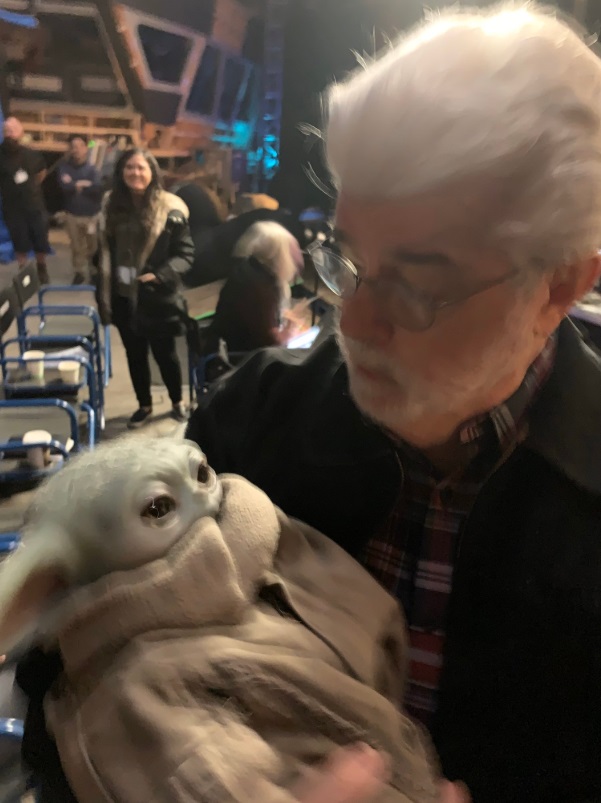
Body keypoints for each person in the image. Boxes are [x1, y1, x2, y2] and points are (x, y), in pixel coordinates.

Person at [184, 5, 601, 801]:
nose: (355, 319)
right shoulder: (244, 426)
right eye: (348, 258)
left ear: (558, 286)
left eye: (418, 282)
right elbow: (92, 687)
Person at [96, 147, 194, 428]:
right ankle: (145, 406)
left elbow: (185, 255)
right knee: (134, 354)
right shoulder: (110, 205)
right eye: (129, 168)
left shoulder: (168, 208)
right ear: (121, 172)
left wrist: (161, 275)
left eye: (141, 168)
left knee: (166, 354)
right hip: (122, 296)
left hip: (155, 297)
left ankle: (177, 402)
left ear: (152, 172)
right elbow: (103, 250)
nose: (135, 173)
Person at [202, 220, 304, 355]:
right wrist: (290, 330)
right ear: (280, 254)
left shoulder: (249, 268)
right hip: (240, 360)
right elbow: (271, 344)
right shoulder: (260, 289)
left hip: (225, 346)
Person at [0, 116, 50, 284]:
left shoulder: (31, 154)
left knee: (40, 238)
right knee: (19, 240)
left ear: (20, 132)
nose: (9, 134)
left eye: (12, 130)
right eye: (6, 130)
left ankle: (41, 268)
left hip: (34, 205)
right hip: (12, 208)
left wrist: (30, 188)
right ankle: (25, 273)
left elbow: (41, 172)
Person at [57, 134, 102, 285]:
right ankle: (79, 272)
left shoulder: (93, 169)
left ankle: (94, 272)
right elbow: (64, 187)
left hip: (92, 216)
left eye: (79, 146)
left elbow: (97, 188)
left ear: (85, 148)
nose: (76, 149)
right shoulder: (64, 168)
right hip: (72, 215)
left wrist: (76, 184)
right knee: (76, 247)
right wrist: (82, 184)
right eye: (73, 146)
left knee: (93, 246)